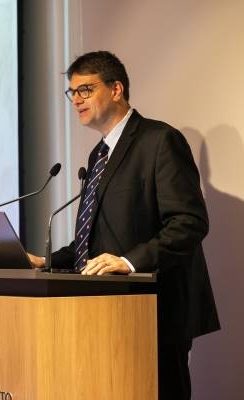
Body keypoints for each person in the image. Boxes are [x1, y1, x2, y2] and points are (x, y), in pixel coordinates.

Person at [29, 51, 220, 399]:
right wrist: (46, 262)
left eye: (85, 89)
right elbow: (92, 241)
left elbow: (189, 223)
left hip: (154, 312)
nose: (76, 100)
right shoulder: (98, 154)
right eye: (72, 92)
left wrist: (130, 262)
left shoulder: (159, 140)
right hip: (105, 312)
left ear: (116, 89)